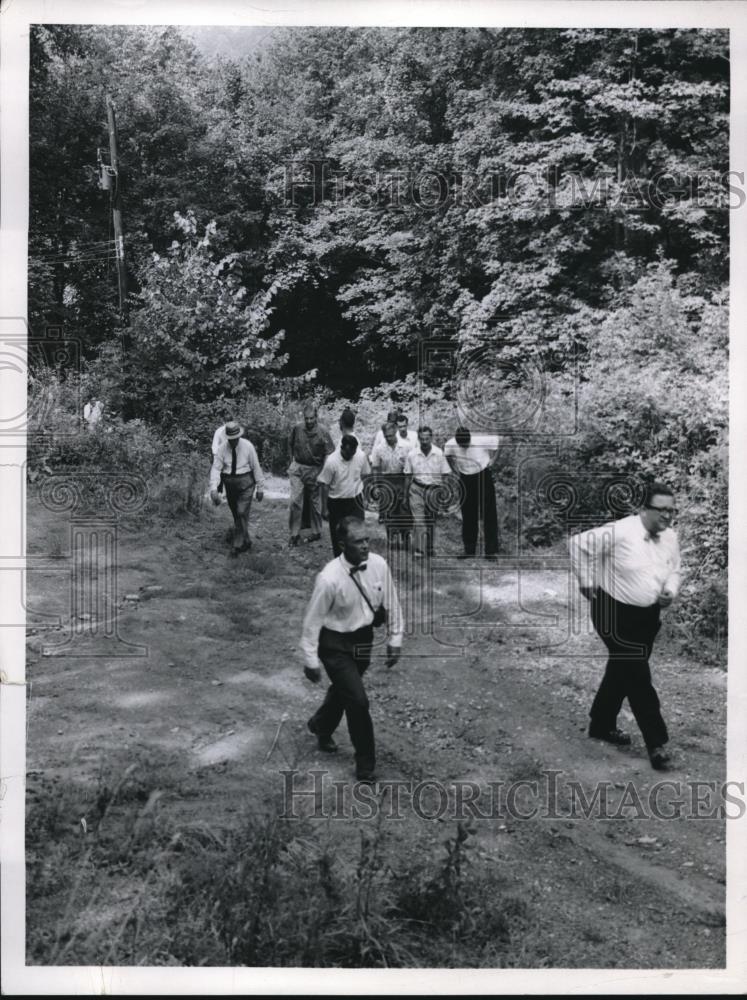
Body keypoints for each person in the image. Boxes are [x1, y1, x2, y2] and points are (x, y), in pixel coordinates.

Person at [568, 481, 682, 770]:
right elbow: (577, 544)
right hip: (612, 611)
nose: (668, 517)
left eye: (672, 511)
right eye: (662, 510)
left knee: (623, 668)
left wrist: (670, 589)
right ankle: (657, 743)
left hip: (647, 617)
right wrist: (585, 581)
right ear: (644, 509)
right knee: (637, 672)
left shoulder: (670, 537)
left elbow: (675, 569)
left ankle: (601, 724)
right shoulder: (620, 531)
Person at [301, 516, 404, 782]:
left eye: (367, 540)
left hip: (363, 640)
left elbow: (391, 600)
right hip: (334, 644)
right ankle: (366, 764)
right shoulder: (328, 579)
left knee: (345, 691)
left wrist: (395, 638)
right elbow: (312, 621)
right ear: (342, 544)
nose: (365, 546)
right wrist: (310, 658)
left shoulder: (379, 565)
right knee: (358, 700)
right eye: (358, 542)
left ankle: (321, 726)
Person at [209, 421, 265, 557]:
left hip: (246, 483)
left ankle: (237, 546)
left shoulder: (248, 447)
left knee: (241, 512)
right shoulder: (222, 449)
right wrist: (214, 488)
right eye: (231, 439)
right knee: (237, 514)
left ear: (239, 436)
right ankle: (246, 540)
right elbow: (216, 468)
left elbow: (256, 466)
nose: (233, 441)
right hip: (230, 484)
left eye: (236, 438)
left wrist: (260, 487)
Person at [444, 426, 500, 558]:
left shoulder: (481, 440)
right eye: (461, 445)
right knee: (468, 515)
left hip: (483, 476)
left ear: (470, 438)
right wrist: (454, 469)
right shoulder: (451, 444)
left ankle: (490, 552)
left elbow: (499, 442)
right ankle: (469, 551)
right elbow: (448, 455)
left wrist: (493, 461)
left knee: (489, 514)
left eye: (466, 444)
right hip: (465, 479)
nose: (464, 447)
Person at [288, 403, 335, 547]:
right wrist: (292, 461)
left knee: (315, 502)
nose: (309, 421)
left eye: (311, 418)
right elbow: (289, 443)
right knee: (295, 500)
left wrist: (323, 472)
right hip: (298, 467)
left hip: (315, 469)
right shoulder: (297, 428)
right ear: (303, 417)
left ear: (316, 417)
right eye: (306, 418)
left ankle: (316, 531)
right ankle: (294, 534)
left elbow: (329, 452)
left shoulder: (323, 431)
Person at [318, 434, 371, 556]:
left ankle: (357, 561)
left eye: (352, 453)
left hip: (355, 501)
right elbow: (324, 484)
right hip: (337, 503)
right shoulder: (331, 461)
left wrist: (367, 497)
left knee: (358, 533)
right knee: (339, 536)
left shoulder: (361, 456)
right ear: (342, 448)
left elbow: (366, 476)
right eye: (347, 454)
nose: (350, 456)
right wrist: (324, 508)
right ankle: (340, 563)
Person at [403, 426, 452, 557]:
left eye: (427, 438)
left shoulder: (439, 453)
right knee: (419, 520)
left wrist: (445, 493)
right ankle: (419, 549)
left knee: (431, 519)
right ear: (418, 439)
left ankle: (429, 547)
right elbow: (408, 475)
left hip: (433, 490)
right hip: (417, 489)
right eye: (422, 439)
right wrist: (405, 495)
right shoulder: (412, 454)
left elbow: (445, 474)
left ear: (431, 438)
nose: (424, 441)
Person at [370, 420, 410, 546]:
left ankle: (405, 536)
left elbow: (410, 469)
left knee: (403, 510)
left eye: (391, 435)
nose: (389, 438)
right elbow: (375, 468)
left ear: (396, 432)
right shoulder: (379, 449)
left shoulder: (406, 446)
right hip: (386, 480)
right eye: (386, 436)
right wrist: (376, 486)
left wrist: (408, 487)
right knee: (389, 510)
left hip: (402, 479)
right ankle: (392, 538)